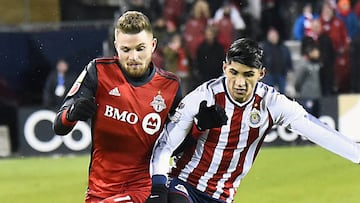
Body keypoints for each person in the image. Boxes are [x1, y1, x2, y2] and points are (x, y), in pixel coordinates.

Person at [145, 38, 360, 203]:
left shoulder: (271, 103)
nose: (240, 82)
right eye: (234, 72)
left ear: (261, 74)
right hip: (184, 184)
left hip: (221, 196)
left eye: (248, 74)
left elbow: (316, 130)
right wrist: (159, 187)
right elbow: (166, 144)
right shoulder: (204, 96)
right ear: (224, 69)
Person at [53, 11, 182, 203]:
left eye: (140, 49)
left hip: (142, 190)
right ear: (116, 47)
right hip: (98, 192)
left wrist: (200, 126)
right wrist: (72, 114)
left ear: (153, 45)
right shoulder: (98, 71)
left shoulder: (170, 86)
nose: (133, 57)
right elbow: (59, 126)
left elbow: (181, 142)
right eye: (126, 49)